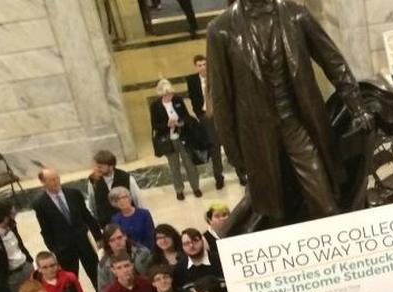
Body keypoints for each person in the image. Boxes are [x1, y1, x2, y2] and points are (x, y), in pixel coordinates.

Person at [207, 0, 372, 224]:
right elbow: (221, 97)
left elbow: (334, 63)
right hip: (257, 135)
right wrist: (235, 154)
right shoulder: (221, 30)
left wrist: (358, 107)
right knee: (275, 215)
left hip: (298, 125)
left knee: (326, 203)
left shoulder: (297, 16)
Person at [32, 168, 102, 288]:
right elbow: (46, 230)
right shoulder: (40, 204)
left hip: (83, 243)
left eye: (57, 178)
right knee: (70, 281)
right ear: (43, 182)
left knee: (96, 275)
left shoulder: (73, 193)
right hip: (64, 249)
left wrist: (98, 237)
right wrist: (55, 250)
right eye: (51, 180)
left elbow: (87, 216)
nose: (56, 182)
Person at [185, 55, 245, 190]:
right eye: (199, 65)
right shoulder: (192, 80)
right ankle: (219, 177)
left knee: (230, 144)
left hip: (221, 116)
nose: (202, 67)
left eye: (204, 64)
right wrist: (200, 115)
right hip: (206, 117)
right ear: (196, 67)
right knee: (214, 148)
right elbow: (193, 98)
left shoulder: (216, 77)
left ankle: (241, 174)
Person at [150, 79, 203, 201]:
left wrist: (181, 123)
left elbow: (186, 116)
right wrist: (167, 125)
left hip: (183, 137)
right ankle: (179, 190)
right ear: (161, 94)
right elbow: (155, 125)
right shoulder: (155, 106)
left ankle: (196, 187)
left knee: (189, 163)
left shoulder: (178, 100)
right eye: (166, 95)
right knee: (174, 166)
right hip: (168, 140)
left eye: (170, 94)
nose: (169, 97)